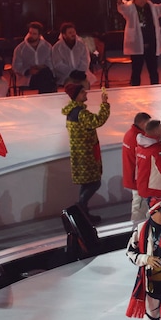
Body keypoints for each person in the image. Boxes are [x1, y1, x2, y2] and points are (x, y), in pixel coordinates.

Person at [62, 83, 110, 222]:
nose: (86, 94)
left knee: (87, 183)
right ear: (76, 96)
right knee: (94, 183)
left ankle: (83, 213)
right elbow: (98, 121)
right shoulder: (81, 113)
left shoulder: (71, 112)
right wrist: (105, 104)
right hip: (86, 154)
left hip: (79, 152)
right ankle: (81, 208)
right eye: (83, 92)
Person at [116, 0, 161, 86]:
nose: (141, 0)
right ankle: (134, 89)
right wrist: (120, 3)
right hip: (137, 46)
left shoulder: (153, 8)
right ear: (134, 0)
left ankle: (155, 88)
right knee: (136, 70)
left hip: (151, 44)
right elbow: (122, 8)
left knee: (153, 70)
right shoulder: (130, 9)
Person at [123, 111, 151, 226]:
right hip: (138, 179)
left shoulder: (130, 134)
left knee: (140, 204)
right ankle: (136, 231)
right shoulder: (138, 138)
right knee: (139, 206)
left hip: (134, 176)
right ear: (142, 123)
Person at [11, 21, 56, 92]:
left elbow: (51, 63)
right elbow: (16, 66)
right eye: (30, 33)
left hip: (44, 75)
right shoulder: (20, 48)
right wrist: (28, 71)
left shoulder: (47, 47)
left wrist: (42, 68)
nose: (31, 35)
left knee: (45, 74)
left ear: (39, 35)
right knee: (47, 80)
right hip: (27, 78)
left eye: (34, 34)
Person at [51, 22, 90, 87]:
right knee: (71, 86)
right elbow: (58, 64)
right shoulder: (57, 47)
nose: (73, 34)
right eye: (70, 33)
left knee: (85, 85)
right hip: (65, 76)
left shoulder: (81, 45)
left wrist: (80, 72)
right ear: (64, 35)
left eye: (73, 32)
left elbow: (86, 60)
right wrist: (71, 72)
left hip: (81, 75)